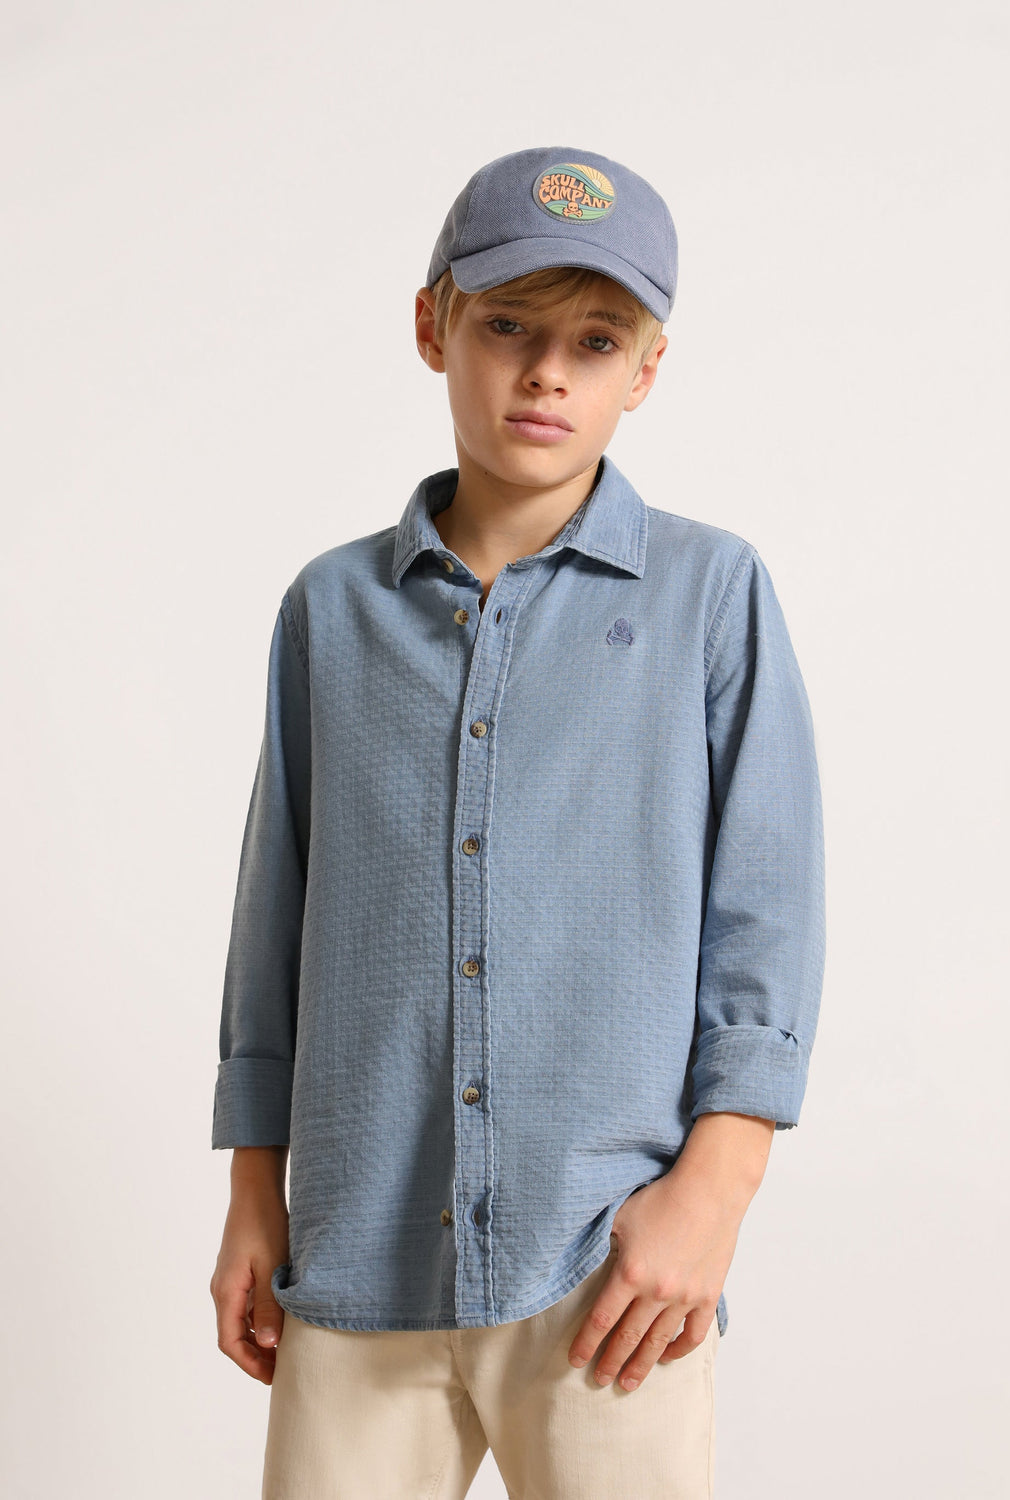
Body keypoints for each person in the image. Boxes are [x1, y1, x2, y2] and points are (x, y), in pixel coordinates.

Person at [209, 145, 826, 1499]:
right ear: (431, 326)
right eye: (508, 328)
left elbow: (766, 910)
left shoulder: (712, 595)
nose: (547, 374)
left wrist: (711, 1198)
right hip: (357, 1254)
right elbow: (276, 917)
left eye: (594, 341)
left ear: (644, 370)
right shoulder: (329, 611)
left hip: (607, 1270)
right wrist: (256, 1191)